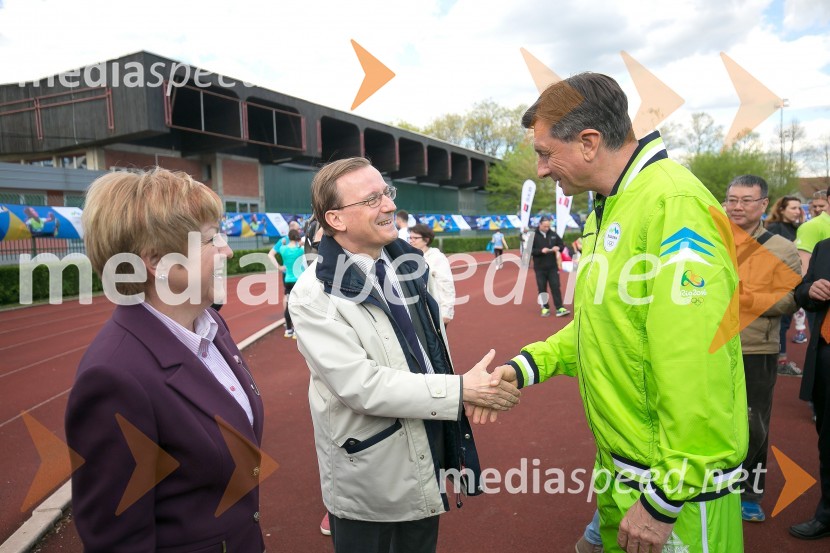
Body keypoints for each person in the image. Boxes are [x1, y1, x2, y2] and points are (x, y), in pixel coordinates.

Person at [482, 73, 748, 552]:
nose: (541, 170)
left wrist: (666, 498)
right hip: (623, 469)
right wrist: (526, 367)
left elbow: (697, 359)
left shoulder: (674, 203)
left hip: (674, 489)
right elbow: (604, 326)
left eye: (545, 153)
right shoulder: (610, 206)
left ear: (588, 142)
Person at [288, 157, 520, 553]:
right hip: (370, 470)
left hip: (425, 443)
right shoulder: (313, 294)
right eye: (372, 198)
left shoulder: (410, 266)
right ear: (336, 219)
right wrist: (460, 391)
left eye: (387, 193)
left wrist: (462, 392)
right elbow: (360, 386)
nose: (390, 205)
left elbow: (425, 353)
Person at [65, 168, 265, 552]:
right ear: (157, 260)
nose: (227, 250)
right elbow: (117, 540)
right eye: (210, 240)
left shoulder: (211, 325)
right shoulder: (114, 377)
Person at [724, 175, 801, 522]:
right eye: (732, 199)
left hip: (756, 349)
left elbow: (790, 300)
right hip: (706, 349)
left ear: (763, 205)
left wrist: (746, 298)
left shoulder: (782, 248)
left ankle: (750, 493)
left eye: (746, 200)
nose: (737, 206)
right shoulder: (708, 240)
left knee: (754, 425)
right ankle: (709, 487)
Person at [790, 236, 830, 540]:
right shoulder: (824, 247)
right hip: (826, 355)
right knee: (827, 441)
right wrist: (811, 291)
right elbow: (801, 292)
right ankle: (827, 514)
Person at [766, 194, 809, 363]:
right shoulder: (775, 228)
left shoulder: (795, 228)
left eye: (799, 208)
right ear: (781, 210)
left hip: (793, 281)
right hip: (778, 282)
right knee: (781, 324)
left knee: (785, 322)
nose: (798, 211)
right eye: (793, 208)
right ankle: (780, 359)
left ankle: (780, 358)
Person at [409, 223, 455, 325]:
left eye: (415, 238)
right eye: (410, 237)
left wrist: (446, 312)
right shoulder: (409, 257)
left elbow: (446, 284)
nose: (411, 240)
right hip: (416, 310)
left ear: (426, 240)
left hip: (434, 311)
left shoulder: (437, 258)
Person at [268, 228, 305, 338]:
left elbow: (277, 250)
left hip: (288, 280)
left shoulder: (283, 249)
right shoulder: (300, 250)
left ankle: (288, 329)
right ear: (297, 237)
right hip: (298, 280)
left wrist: (279, 267)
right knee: (299, 305)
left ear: (288, 238)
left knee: (289, 305)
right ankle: (296, 331)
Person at [531, 216, 569, 317]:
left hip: (552, 266)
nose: (547, 228)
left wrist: (558, 248)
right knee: (542, 288)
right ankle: (545, 307)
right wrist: (540, 251)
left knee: (555, 286)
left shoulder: (553, 234)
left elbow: (562, 245)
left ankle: (559, 307)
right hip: (539, 267)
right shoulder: (533, 236)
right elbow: (529, 251)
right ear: (540, 225)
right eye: (545, 226)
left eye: (548, 226)